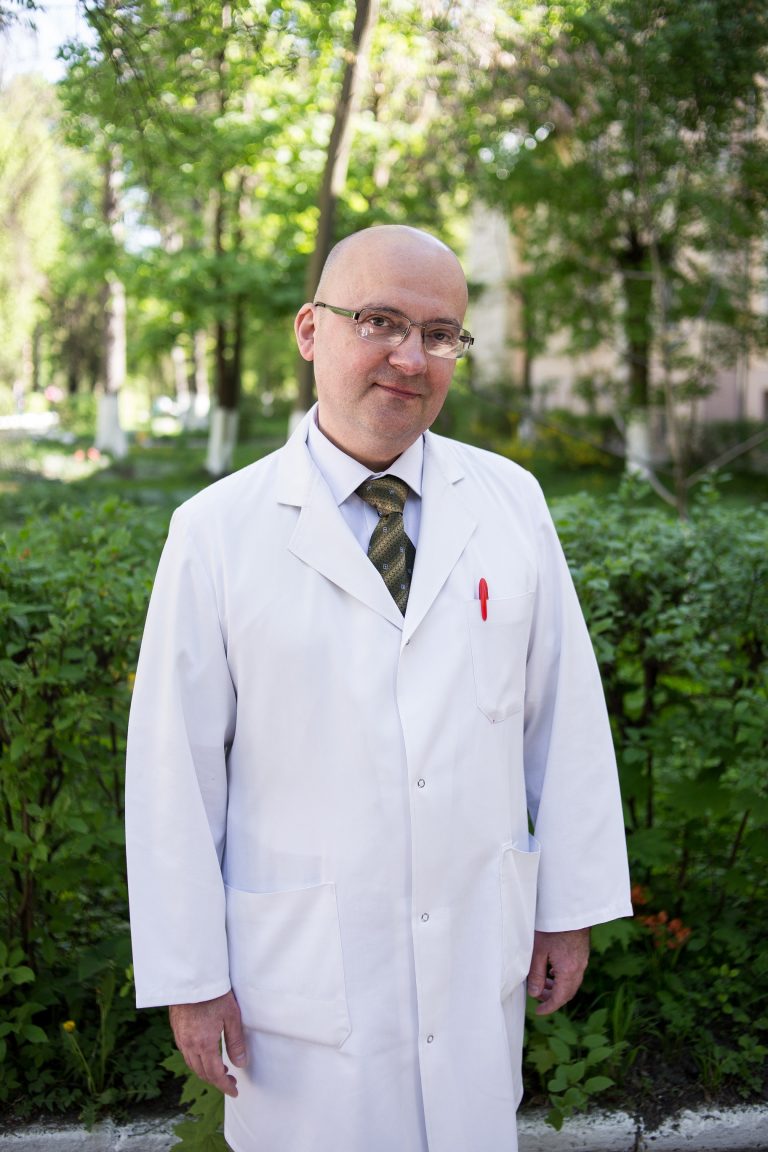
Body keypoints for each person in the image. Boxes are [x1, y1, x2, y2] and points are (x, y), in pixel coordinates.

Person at [125, 225, 632, 1152]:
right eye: (380, 321)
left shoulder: (512, 502)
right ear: (309, 330)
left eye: (439, 334)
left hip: (474, 953)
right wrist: (191, 977)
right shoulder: (215, 532)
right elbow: (173, 775)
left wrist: (567, 911)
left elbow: (564, 720)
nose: (410, 357)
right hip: (301, 989)